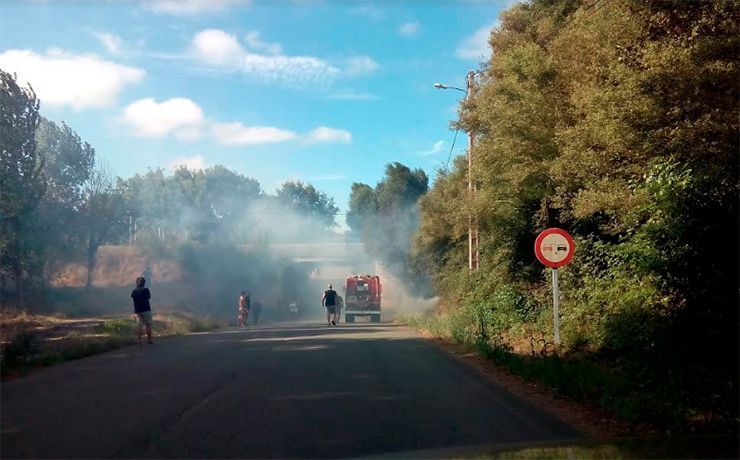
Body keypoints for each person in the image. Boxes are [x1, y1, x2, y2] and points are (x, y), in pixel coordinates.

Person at [131, 277, 153, 345]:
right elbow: (148, 297)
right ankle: (149, 340)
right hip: (146, 310)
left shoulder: (134, 291)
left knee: (139, 326)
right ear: (144, 283)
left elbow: (133, 298)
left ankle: (139, 341)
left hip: (137, 311)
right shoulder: (146, 290)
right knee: (148, 325)